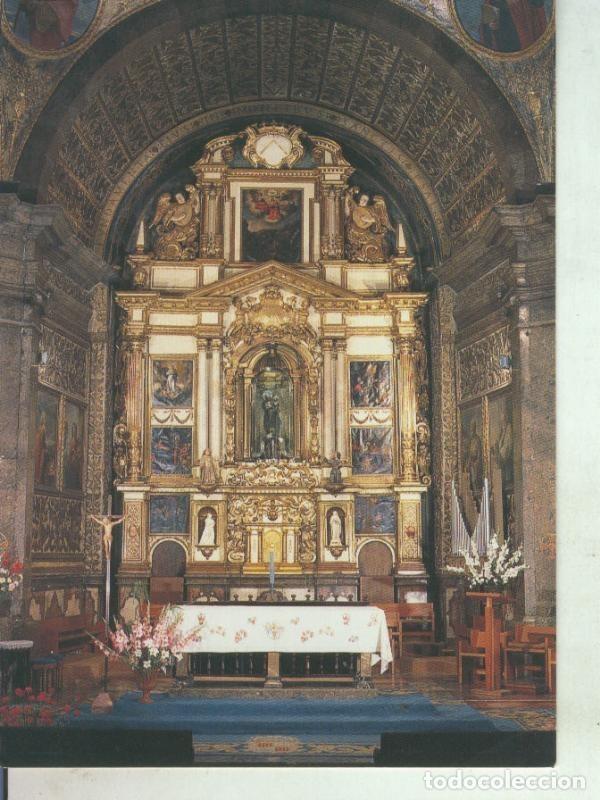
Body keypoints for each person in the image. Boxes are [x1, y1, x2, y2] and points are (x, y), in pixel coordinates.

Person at [479, 0, 548, 53]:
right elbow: (486, 38)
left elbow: (538, 7)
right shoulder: (490, 2)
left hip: (525, 46)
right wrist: (491, 27)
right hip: (504, 49)